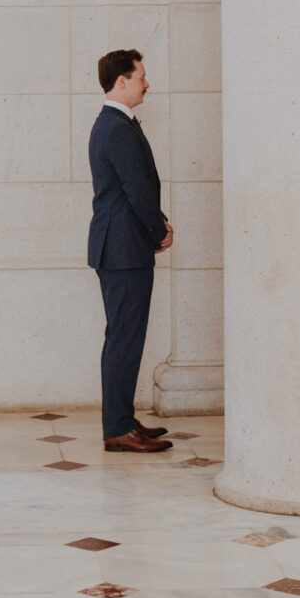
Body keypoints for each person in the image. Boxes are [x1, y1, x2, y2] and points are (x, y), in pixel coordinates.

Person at [88, 50, 174, 453]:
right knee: (124, 338)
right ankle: (118, 428)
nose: (146, 82)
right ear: (121, 81)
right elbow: (136, 190)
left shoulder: (113, 124)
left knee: (124, 337)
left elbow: (133, 189)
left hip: (121, 246)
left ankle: (123, 420)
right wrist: (158, 229)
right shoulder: (116, 127)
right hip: (124, 248)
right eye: (141, 76)